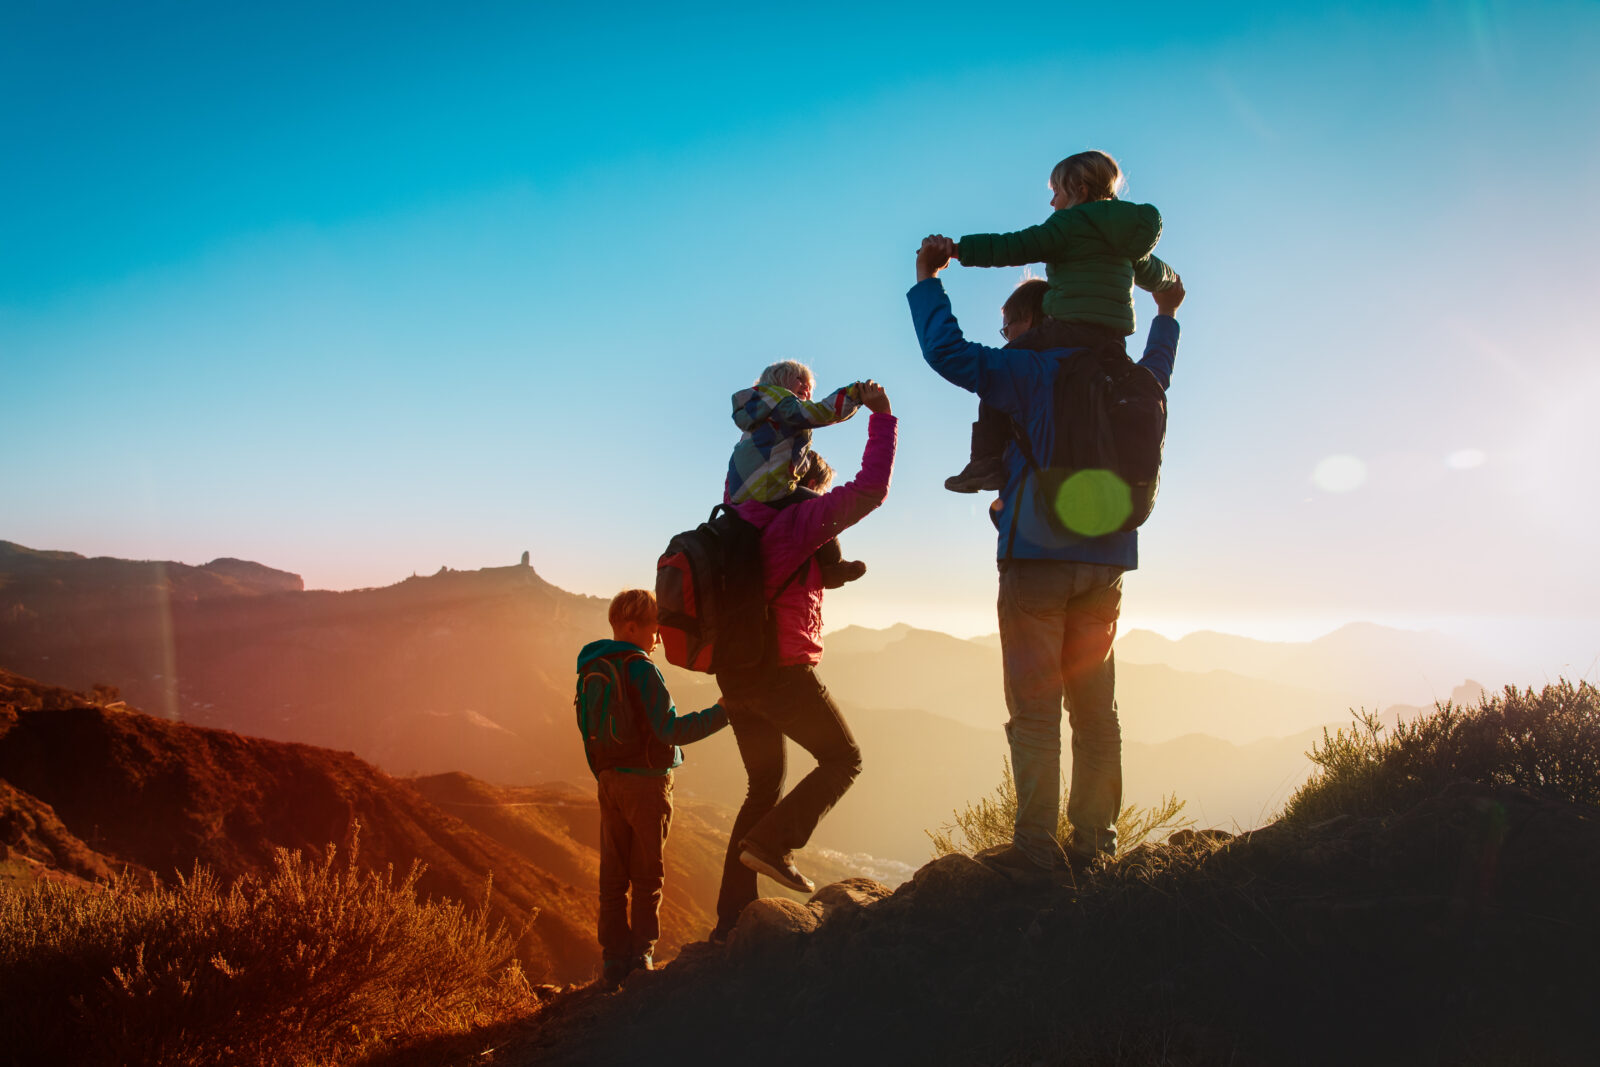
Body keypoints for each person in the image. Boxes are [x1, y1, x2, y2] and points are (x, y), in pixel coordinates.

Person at [907, 236, 1186, 873]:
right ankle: (1095, 846)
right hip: (1109, 562)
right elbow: (1162, 367)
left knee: (1035, 714)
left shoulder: (1031, 370)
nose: (1005, 338)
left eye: (1009, 326)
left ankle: (1036, 851)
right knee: (1096, 713)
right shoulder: (1131, 376)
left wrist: (927, 279)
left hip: (1036, 557)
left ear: (1039, 318)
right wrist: (1167, 314)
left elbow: (948, 352)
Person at [711, 381, 896, 938]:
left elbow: (788, 577)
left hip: (735, 674)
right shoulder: (797, 521)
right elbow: (869, 491)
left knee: (762, 787)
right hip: (782, 674)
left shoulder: (739, 521)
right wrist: (882, 421)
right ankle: (773, 844)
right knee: (844, 760)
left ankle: (731, 922)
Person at [936, 150, 1181, 493]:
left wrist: (958, 250)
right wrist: (1172, 286)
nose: (1052, 203)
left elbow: (1014, 246)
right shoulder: (1126, 239)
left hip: (1066, 329)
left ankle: (985, 461)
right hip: (1111, 340)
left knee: (998, 372)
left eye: (1056, 192)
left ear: (1078, 189)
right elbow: (1156, 273)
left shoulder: (1068, 226)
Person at [575, 589, 729, 986]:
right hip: (647, 784)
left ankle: (613, 962)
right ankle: (641, 957)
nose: (659, 637)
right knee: (647, 877)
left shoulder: (594, 665)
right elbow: (672, 729)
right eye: (654, 628)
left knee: (612, 878)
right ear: (631, 626)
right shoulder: (641, 668)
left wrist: (606, 776)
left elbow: (586, 730)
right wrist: (723, 712)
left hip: (609, 781)